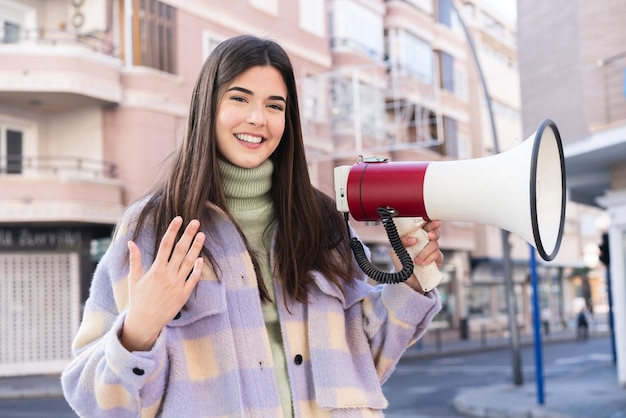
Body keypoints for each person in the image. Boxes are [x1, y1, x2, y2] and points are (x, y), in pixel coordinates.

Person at [61, 34, 443, 417]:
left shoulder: (324, 221)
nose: (258, 119)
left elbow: (364, 361)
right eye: (239, 98)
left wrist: (412, 278)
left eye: (274, 106)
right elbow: (93, 401)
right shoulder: (154, 228)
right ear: (208, 106)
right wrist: (138, 330)